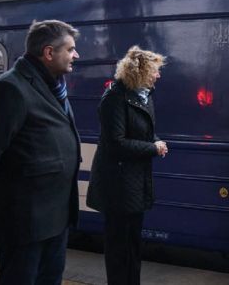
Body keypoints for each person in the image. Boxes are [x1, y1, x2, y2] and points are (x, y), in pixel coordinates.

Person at [0, 20, 81, 285]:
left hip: (55, 216)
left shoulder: (54, 86)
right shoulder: (9, 88)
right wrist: (6, 198)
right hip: (24, 220)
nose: (76, 55)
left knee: (49, 279)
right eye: (70, 49)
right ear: (49, 52)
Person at [87, 46, 168, 285]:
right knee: (119, 249)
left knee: (132, 246)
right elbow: (116, 143)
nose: (158, 75)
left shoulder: (144, 96)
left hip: (135, 182)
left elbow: (144, 132)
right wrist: (153, 148)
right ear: (139, 72)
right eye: (154, 70)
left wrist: (156, 141)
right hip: (118, 185)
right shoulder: (114, 98)